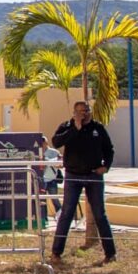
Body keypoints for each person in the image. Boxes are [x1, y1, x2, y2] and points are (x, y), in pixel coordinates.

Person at [48, 99, 117, 262]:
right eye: (81, 111)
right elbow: (56, 142)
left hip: (93, 175)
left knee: (100, 214)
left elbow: (109, 149)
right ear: (74, 113)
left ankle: (110, 254)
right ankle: (56, 253)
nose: (84, 114)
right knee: (67, 213)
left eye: (86, 111)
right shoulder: (66, 126)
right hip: (73, 176)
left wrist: (106, 166)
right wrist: (75, 128)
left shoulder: (97, 128)